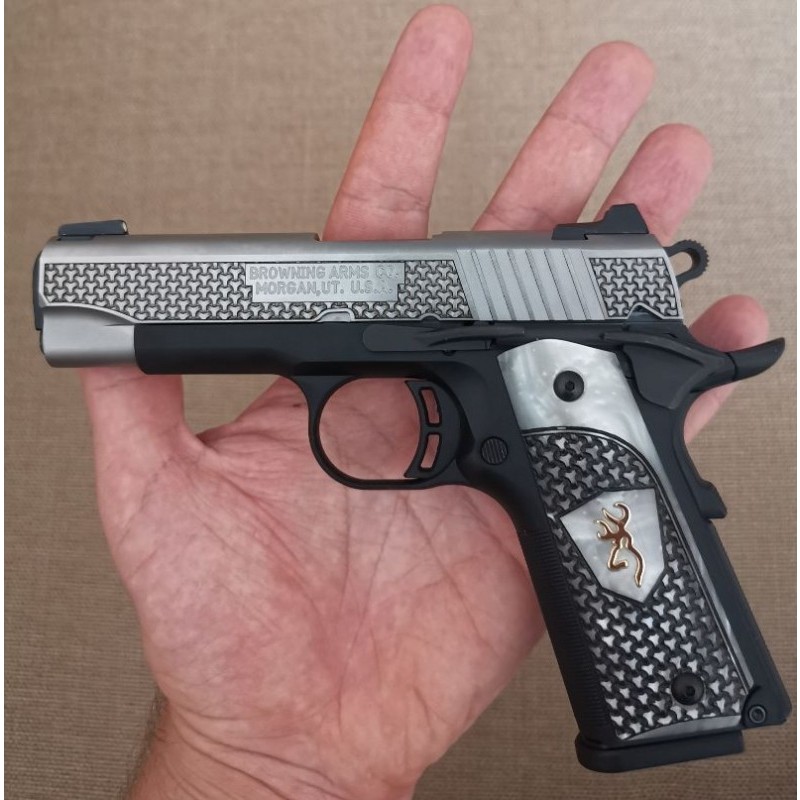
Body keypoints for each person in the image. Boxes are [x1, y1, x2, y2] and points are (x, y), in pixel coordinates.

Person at [79, 6, 769, 799]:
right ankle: (677, 691)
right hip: (559, 330)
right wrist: (247, 765)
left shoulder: (563, 328)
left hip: (562, 348)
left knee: (608, 502)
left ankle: (677, 693)